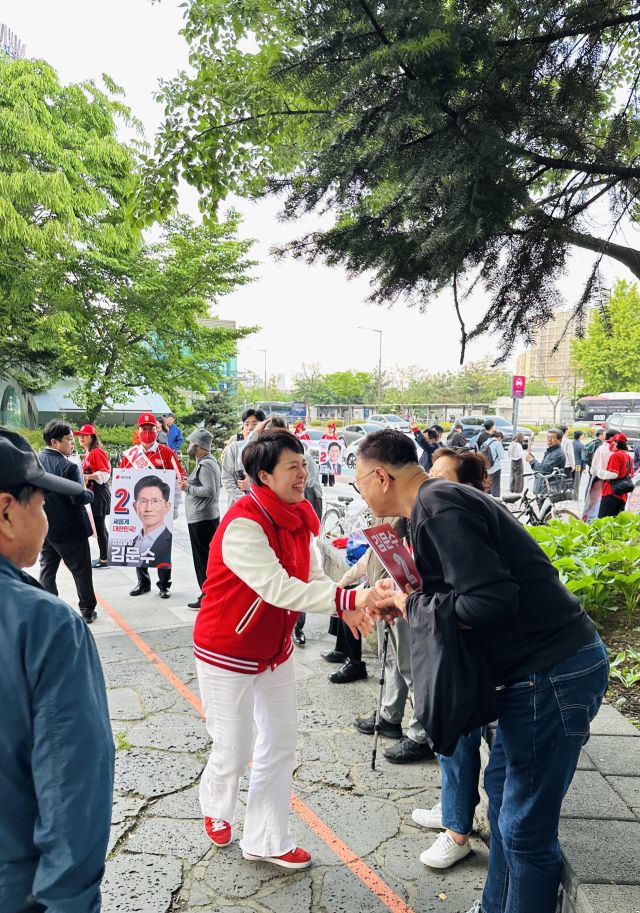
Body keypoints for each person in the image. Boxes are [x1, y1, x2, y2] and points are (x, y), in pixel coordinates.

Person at [357, 429, 607, 913]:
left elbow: (490, 599)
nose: (360, 493)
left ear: (381, 476)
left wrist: (412, 603)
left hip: (551, 672)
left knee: (524, 825)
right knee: (503, 798)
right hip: (533, 671)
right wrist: (408, 602)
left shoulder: (439, 506)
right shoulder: (437, 502)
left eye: (359, 483)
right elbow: (467, 591)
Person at [193, 429, 375, 868]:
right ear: (263, 475)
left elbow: (311, 579)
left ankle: (266, 839)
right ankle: (216, 806)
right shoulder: (243, 524)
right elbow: (277, 588)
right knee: (233, 747)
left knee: (280, 744)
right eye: (292, 467)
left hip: (274, 652)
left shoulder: (298, 517)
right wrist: (349, 599)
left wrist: (344, 607)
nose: (303, 474)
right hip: (226, 651)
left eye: (304, 465)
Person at [0, 428, 114, 913]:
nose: (43, 518)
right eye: (41, 504)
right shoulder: (44, 624)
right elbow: (71, 791)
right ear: (7, 511)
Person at [412, 446, 489, 867]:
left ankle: (458, 830)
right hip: (456, 646)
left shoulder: (468, 524)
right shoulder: (440, 519)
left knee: (458, 734)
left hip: (481, 656)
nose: (432, 489)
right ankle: (452, 810)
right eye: (431, 478)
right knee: (450, 736)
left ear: (474, 489)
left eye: (444, 481)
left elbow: (482, 599)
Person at [38, 420, 98, 624]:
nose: (73, 443)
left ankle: (49, 609)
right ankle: (87, 609)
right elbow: (78, 498)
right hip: (71, 529)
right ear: (55, 442)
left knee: (47, 569)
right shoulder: (68, 467)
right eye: (69, 439)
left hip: (46, 528)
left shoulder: (35, 461)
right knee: (81, 571)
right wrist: (89, 493)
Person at [120, 412, 185, 598]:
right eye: (144, 428)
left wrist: (174, 507)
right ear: (138, 431)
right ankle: (143, 582)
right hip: (138, 510)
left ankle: (164, 584)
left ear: (157, 430)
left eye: (151, 428)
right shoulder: (130, 455)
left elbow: (179, 480)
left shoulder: (167, 453)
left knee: (162, 545)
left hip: (160, 511)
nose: (147, 431)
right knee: (137, 544)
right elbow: (122, 482)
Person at [179, 428, 221, 610]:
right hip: (205, 517)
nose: (189, 447)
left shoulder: (205, 465)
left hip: (202, 519)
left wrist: (187, 488)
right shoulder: (207, 463)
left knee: (202, 559)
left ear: (198, 446)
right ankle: (209, 594)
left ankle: (207, 596)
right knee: (206, 558)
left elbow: (209, 490)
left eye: (191, 444)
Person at [75, 423, 112, 569]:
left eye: (85, 435)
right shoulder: (89, 452)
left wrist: (88, 476)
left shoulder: (97, 452)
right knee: (100, 527)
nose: (81, 438)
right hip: (94, 493)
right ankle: (106, 556)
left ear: (92, 437)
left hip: (99, 493)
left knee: (99, 527)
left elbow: (105, 473)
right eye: (80, 436)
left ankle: (104, 559)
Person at [221, 408, 266, 505]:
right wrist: (244, 499)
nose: (250, 428)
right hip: (238, 505)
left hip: (262, 504)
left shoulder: (267, 449)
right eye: (247, 424)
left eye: (255, 424)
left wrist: (251, 486)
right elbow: (226, 479)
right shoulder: (233, 448)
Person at [128, 474, 173, 567]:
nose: (148, 508)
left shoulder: (168, 540)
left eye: (155, 501)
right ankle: (142, 581)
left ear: (167, 506)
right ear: (135, 506)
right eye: (143, 501)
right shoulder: (132, 543)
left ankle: (163, 581)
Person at [583, 428, 619, 522]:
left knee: (593, 506)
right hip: (606, 481)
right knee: (604, 508)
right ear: (612, 438)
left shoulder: (600, 448)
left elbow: (592, 468)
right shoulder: (612, 451)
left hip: (596, 479)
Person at [597, 433, 634, 518]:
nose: (610, 445)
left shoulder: (616, 455)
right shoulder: (629, 457)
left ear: (616, 443)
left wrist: (600, 473)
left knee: (603, 520)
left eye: (612, 443)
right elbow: (631, 475)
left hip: (611, 493)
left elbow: (614, 474)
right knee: (616, 523)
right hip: (622, 494)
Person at [525, 428, 566, 494]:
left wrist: (532, 461)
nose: (549, 440)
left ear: (559, 440)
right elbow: (544, 467)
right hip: (544, 488)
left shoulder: (558, 454)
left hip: (548, 490)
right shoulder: (551, 451)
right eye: (548, 437)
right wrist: (533, 460)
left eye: (552, 438)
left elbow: (544, 470)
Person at [320, 421, 341, 487]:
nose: (330, 429)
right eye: (329, 428)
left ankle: (331, 482)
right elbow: (321, 443)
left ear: (334, 429)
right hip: (325, 454)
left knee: (332, 467)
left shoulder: (336, 437)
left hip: (333, 454)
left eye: (332, 428)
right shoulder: (324, 436)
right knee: (325, 466)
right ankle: (325, 482)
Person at [484, 430, 504, 497]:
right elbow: (502, 456)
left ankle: (487, 500)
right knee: (495, 485)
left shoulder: (485, 442)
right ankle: (496, 501)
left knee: (487, 485)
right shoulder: (497, 443)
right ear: (498, 437)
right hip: (495, 468)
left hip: (486, 468)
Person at [572, 430, 586, 498]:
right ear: (580, 436)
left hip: (570, 465)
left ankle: (570, 495)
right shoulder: (582, 445)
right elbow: (583, 457)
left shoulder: (571, 443)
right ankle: (575, 496)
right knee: (577, 481)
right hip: (578, 465)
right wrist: (584, 468)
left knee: (570, 480)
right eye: (582, 435)